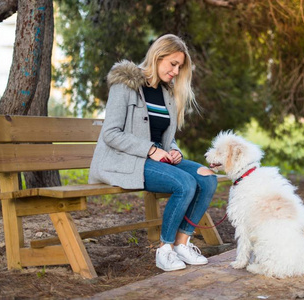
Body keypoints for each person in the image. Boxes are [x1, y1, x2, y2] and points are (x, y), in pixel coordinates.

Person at [89, 34, 218, 272]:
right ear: (158, 56)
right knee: (185, 183)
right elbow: (111, 133)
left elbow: (166, 137)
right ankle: (164, 250)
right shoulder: (125, 84)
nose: (176, 71)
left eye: (180, 67)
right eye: (173, 64)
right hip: (127, 160)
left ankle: (182, 244)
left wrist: (174, 151)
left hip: (156, 159)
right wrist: (150, 150)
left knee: (207, 177)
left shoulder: (167, 93)